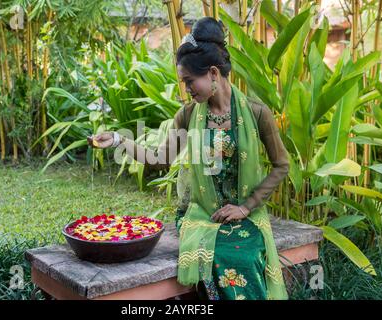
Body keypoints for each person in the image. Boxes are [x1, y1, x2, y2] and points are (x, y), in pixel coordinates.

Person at [88, 17, 290, 300]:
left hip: (245, 216)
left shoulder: (257, 113)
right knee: (218, 254)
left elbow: (282, 165)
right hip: (201, 215)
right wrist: (120, 140)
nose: (186, 89)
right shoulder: (187, 115)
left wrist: (246, 207)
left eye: (189, 81)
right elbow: (160, 158)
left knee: (245, 257)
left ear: (213, 73)